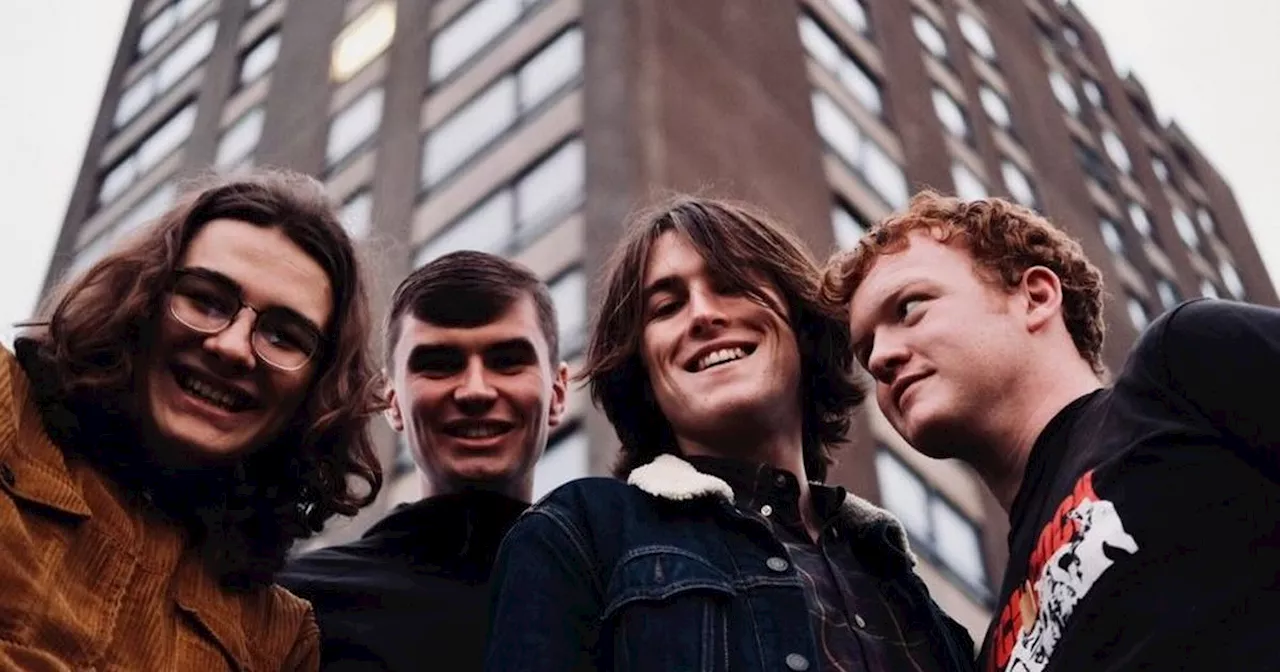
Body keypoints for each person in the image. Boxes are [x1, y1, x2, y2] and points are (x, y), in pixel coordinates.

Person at [485, 196, 976, 672]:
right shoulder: (579, 533)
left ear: (802, 324)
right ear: (643, 375)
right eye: (666, 307)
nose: (702, 314)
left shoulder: (905, 586)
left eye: (731, 284)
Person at [825, 190, 1280, 671]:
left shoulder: (1181, 369)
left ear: (1036, 297)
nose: (880, 358)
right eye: (865, 349)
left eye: (909, 308)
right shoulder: (993, 647)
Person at [3, 171, 384, 671]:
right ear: (142, 298)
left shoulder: (280, 638)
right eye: (206, 300)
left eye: (284, 336)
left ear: (318, 390)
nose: (231, 347)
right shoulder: (8, 406)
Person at [279, 251, 569, 671]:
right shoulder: (296, 605)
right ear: (392, 404)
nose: (475, 390)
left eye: (507, 361)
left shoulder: (625, 598)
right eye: (438, 365)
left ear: (558, 394)